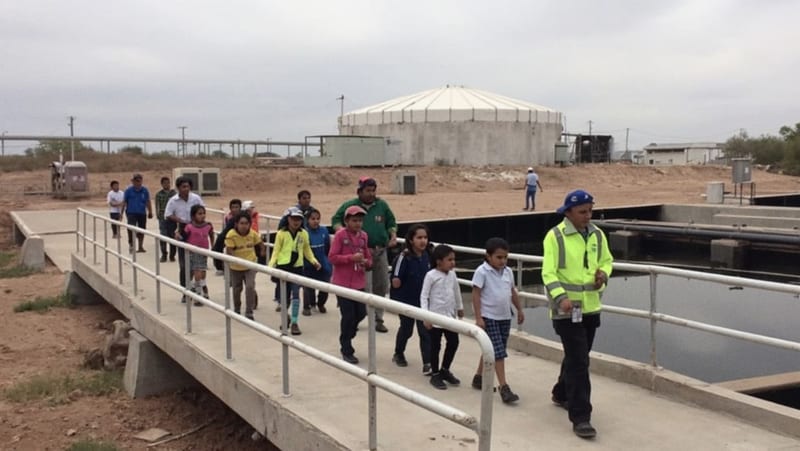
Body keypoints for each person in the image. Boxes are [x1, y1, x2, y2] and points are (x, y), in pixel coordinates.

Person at [542, 189, 613, 439]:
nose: (587, 216)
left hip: (591, 307)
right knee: (580, 361)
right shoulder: (555, 237)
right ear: (569, 212)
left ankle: (561, 393)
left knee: (577, 356)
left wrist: (603, 275)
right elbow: (548, 273)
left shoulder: (597, 235)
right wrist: (561, 298)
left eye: (590, 211)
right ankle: (581, 416)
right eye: (583, 212)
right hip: (566, 311)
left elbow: (607, 261)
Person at [331, 177, 397, 333]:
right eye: (368, 190)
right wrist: (341, 232)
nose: (371, 193)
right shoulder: (350, 206)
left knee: (380, 285)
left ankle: (378, 319)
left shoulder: (382, 205)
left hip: (379, 251)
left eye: (373, 190)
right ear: (359, 191)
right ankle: (353, 315)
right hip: (357, 253)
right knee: (361, 286)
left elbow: (391, 222)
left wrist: (392, 234)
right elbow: (336, 219)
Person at [470, 237, 525, 404]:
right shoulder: (482, 272)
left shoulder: (508, 272)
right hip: (489, 316)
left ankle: (478, 377)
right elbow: (476, 294)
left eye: (505, 257)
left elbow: (512, 291)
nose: (502, 261)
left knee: (492, 349)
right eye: (499, 257)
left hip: (504, 316)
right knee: (498, 352)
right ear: (489, 256)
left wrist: (519, 309)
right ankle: (504, 387)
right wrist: (479, 317)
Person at [329, 205, 372, 364]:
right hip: (342, 283)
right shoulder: (340, 236)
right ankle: (346, 347)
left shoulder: (364, 237)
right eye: (354, 220)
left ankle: (348, 333)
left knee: (361, 312)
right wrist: (350, 258)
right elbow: (332, 257)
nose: (357, 224)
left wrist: (366, 263)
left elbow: (368, 257)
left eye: (360, 221)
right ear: (346, 221)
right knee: (348, 315)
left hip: (359, 282)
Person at [268, 207, 321, 335]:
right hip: (283, 266)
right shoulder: (281, 233)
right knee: (284, 297)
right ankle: (286, 317)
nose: (296, 222)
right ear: (288, 219)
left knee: (296, 295)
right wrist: (271, 266)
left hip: (297, 267)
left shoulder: (303, 233)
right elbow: (276, 250)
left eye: (298, 219)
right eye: (293, 219)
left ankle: (295, 322)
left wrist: (314, 261)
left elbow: (307, 250)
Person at [390, 224, 433, 375]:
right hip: (406, 300)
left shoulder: (428, 255)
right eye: (419, 238)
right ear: (411, 239)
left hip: (423, 302)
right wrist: (396, 282)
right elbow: (395, 278)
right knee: (407, 329)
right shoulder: (404, 257)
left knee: (425, 332)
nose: (423, 241)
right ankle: (398, 352)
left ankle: (428, 363)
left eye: (425, 237)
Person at [421, 244, 464, 390]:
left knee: (453, 342)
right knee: (435, 346)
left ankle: (445, 369)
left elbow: (456, 291)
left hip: (449, 316)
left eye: (454, 259)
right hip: (435, 317)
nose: (453, 263)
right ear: (439, 261)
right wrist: (425, 316)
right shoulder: (431, 275)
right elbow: (424, 295)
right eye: (449, 260)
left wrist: (460, 307)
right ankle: (435, 373)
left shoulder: (452, 275)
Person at [165, 176, 205, 303]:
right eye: (183, 187)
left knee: (196, 263)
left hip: (195, 228)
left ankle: (196, 288)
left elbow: (202, 211)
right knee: (184, 264)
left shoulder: (196, 198)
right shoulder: (173, 201)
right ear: (178, 188)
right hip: (182, 229)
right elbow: (168, 214)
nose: (186, 189)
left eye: (188, 186)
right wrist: (180, 221)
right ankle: (185, 290)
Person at [225, 212, 265, 320]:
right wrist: (235, 259)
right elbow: (229, 250)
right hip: (236, 267)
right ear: (236, 224)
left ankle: (249, 311)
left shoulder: (252, 233)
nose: (244, 226)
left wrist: (262, 253)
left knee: (250, 286)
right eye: (241, 223)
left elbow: (260, 244)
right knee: (237, 289)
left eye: (246, 223)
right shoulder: (231, 235)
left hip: (250, 265)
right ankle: (237, 309)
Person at [179, 204, 214, 306]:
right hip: (192, 252)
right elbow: (183, 238)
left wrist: (212, 247)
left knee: (202, 272)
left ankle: (201, 289)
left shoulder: (208, 226)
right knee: (193, 273)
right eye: (199, 214)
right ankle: (196, 294)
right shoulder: (189, 227)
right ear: (193, 216)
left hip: (203, 252)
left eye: (203, 213)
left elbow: (211, 235)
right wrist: (177, 236)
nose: (202, 216)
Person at [302, 208, 332, 316]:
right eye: (313, 219)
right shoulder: (304, 233)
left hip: (323, 263)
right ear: (307, 220)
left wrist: (328, 262)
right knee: (308, 287)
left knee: (325, 286)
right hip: (308, 264)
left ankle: (321, 303)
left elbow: (328, 247)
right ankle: (308, 306)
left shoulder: (324, 230)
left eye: (318, 219)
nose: (316, 221)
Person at [121, 173, 153, 253]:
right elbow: (124, 202)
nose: (137, 183)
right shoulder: (128, 190)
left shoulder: (145, 190)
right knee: (131, 229)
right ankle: (131, 245)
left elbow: (148, 201)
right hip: (131, 213)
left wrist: (150, 211)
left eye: (139, 181)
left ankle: (140, 246)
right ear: (133, 181)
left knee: (142, 229)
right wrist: (121, 213)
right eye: (136, 181)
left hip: (142, 213)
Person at [213, 199, 242, 273]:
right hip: (227, 237)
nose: (234, 209)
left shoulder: (242, 218)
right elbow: (225, 230)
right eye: (233, 207)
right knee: (217, 247)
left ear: (240, 208)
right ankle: (220, 267)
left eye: (237, 207)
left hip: (238, 238)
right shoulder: (228, 218)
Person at [155, 176, 178, 262]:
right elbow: (157, 205)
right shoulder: (159, 194)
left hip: (172, 218)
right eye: (164, 183)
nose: (166, 185)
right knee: (163, 236)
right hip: (162, 217)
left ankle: (172, 255)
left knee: (172, 236)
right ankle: (164, 254)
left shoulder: (174, 193)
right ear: (162, 184)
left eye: (168, 183)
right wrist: (157, 214)